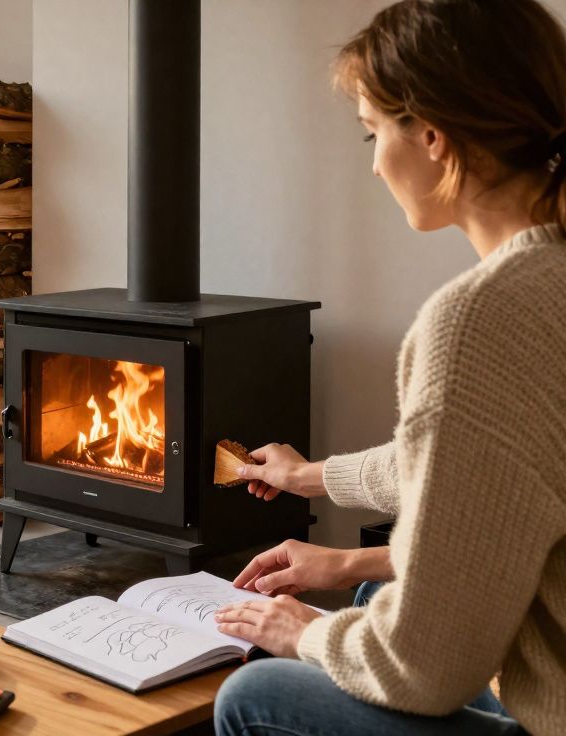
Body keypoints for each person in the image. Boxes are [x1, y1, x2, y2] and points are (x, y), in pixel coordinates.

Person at [210, 1, 566, 734]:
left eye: (373, 132)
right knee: (371, 601)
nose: (373, 162)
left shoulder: (482, 319)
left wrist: (299, 633)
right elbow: (479, 467)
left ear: (432, 135)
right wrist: (308, 479)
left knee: (253, 699)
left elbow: (425, 671)